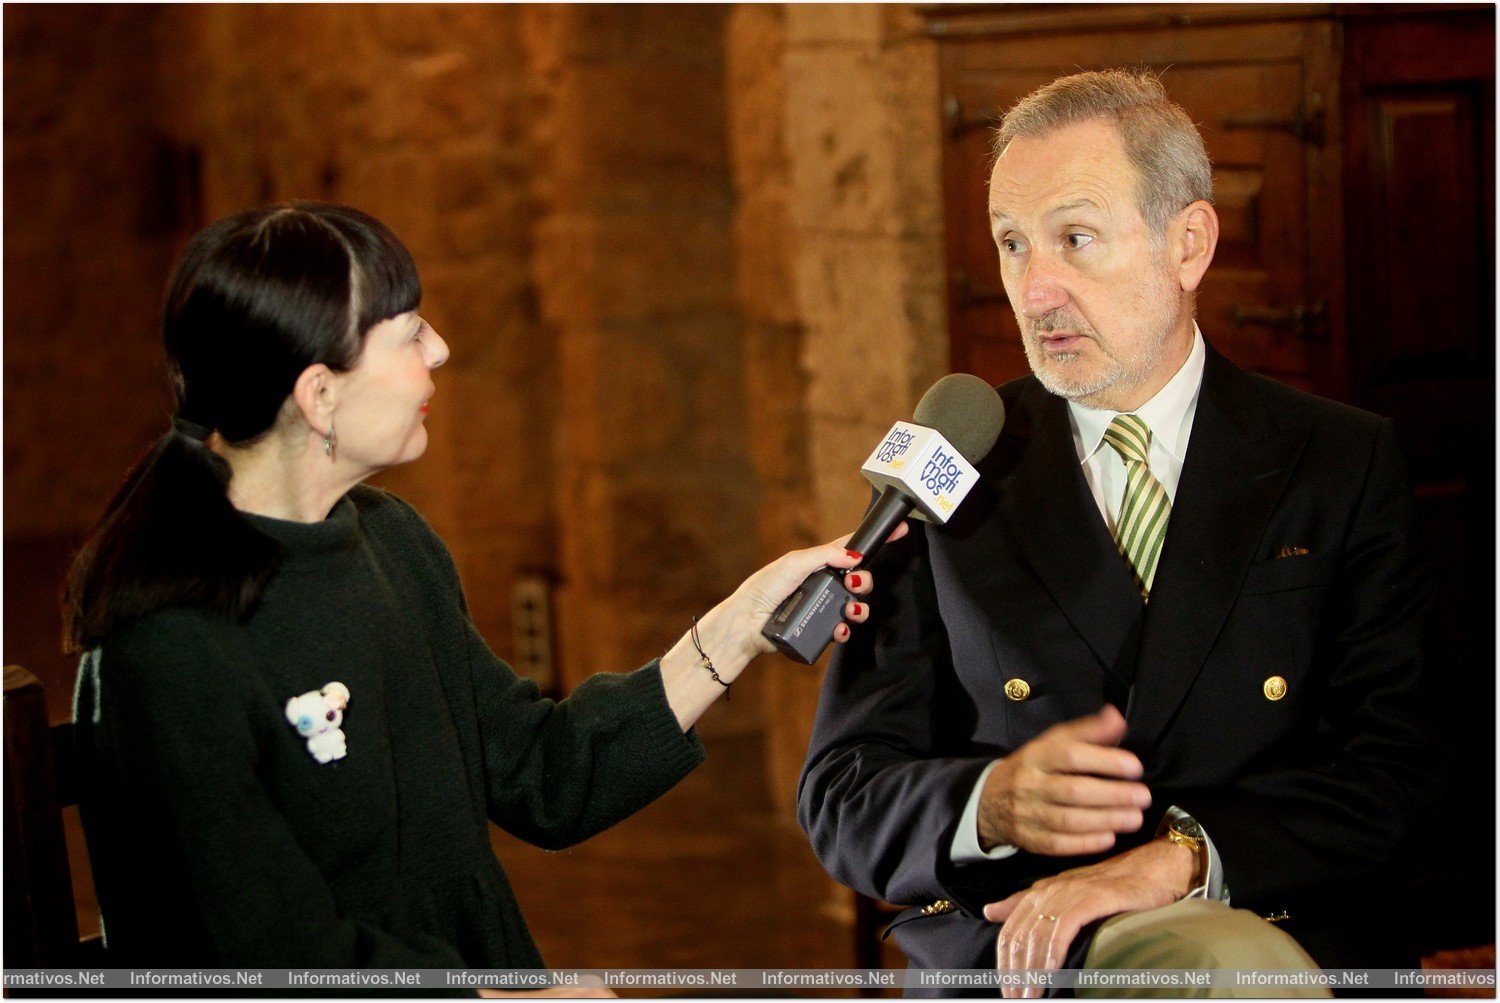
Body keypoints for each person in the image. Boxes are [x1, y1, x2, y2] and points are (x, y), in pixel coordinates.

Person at [63, 201, 889, 979]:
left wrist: (742, 622)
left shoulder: (392, 541)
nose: (442, 351)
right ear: (319, 394)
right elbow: (270, 955)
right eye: (410, 331)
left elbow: (544, 773)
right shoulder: (166, 643)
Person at [798, 69, 1443, 997]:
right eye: (1013, 245)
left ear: (1189, 243)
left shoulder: (1339, 461)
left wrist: (1183, 857)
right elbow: (842, 796)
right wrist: (992, 805)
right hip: (1029, 962)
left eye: (1076, 239)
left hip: (1279, 932)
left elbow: (1407, 772)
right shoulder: (949, 468)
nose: (1038, 288)